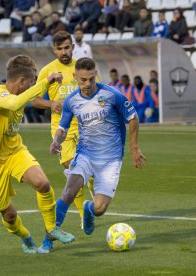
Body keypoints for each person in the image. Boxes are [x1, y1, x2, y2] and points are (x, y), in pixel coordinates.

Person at [0, 55, 75, 254]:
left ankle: (51, 229)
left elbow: (23, 100)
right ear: (22, 81)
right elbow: (14, 103)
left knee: (43, 184)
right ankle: (25, 236)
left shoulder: (19, 96)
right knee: (9, 215)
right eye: (31, 82)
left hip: (14, 151)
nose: (32, 85)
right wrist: (46, 82)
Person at [46, 57, 146, 249]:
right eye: (83, 79)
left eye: (91, 79)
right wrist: (56, 141)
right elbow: (62, 128)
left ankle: (89, 210)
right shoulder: (71, 101)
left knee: (100, 208)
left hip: (111, 159)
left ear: (96, 75)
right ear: (75, 77)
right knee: (68, 192)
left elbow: (133, 118)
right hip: (85, 155)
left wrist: (134, 148)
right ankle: (48, 237)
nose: (87, 83)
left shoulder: (112, 95)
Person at [30, 31, 94, 252]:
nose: (64, 52)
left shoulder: (83, 67)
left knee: (91, 177)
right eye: (60, 49)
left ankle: (88, 209)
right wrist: (51, 104)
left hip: (88, 128)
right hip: (62, 132)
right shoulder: (47, 71)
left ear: (73, 46)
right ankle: (81, 212)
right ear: (54, 50)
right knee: (74, 174)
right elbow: (34, 99)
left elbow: (97, 94)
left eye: (67, 47)